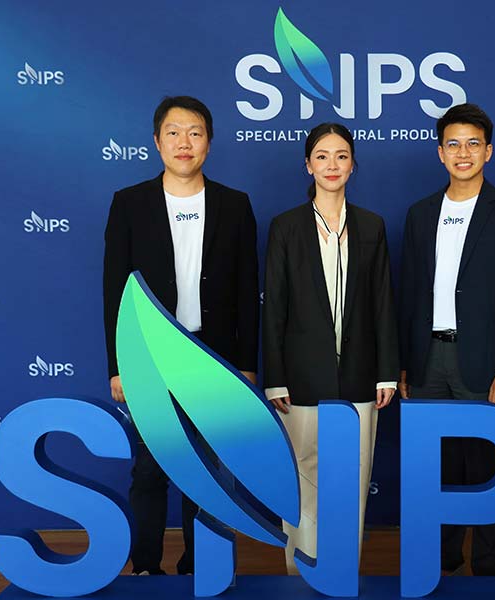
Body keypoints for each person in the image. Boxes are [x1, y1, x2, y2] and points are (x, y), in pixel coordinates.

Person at [102, 95, 260, 575]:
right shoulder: (129, 203)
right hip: (149, 355)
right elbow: (115, 290)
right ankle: (146, 566)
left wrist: (246, 364)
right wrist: (118, 364)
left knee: (207, 470)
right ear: (157, 142)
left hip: (214, 356)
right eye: (173, 132)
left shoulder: (235, 204)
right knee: (150, 468)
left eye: (194, 132)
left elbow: (248, 289)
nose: (184, 142)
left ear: (209, 142)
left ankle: (198, 567)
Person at [397, 103, 495, 577]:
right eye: (453, 144)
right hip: (428, 360)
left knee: (486, 468)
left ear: (488, 151)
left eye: (473, 144)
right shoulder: (419, 214)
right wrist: (404, 363)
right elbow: (409, 294)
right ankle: (440, 563)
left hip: (483, 361)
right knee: (435, 471)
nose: (463, 153)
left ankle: (490, 570)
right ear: (440, 153)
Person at [261, 122, 398, 575]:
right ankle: (299, 571)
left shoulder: (372, 226)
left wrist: (386, 370)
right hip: (299, 378)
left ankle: (342, 571)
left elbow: (383, 302)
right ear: (308, 165)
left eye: (341, 156)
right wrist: (275, 378)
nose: (332, 165)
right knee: (301, 478)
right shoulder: (285, 227)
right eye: (322, 156)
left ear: (353, 164)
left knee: (353, 479)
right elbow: (274, 309)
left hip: (360, 375)